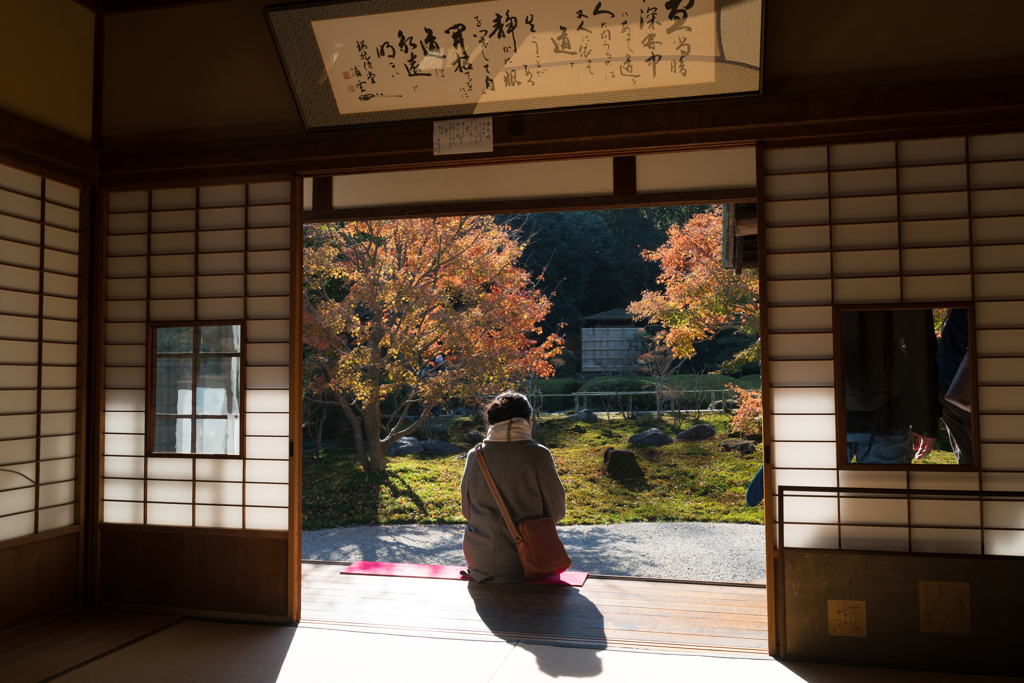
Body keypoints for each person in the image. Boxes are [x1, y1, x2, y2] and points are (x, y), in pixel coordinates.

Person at [460, 392, 566, 583]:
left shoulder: (474, 455)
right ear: (527, 420)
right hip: (528, 561)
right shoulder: (538, 455)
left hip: (480, 561)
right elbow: (557, 511)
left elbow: (467, 511)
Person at [843, 309, 941, 464]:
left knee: (820, 486)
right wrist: (925, 423)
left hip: (827, 415)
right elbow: (922, 353)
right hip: (889, 415)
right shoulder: (903, 290)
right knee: (885, 487)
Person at [936, 308, 973, 465]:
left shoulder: (955, 310)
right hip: (965, 388)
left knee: (967, 458)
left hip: (945, 384)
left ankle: (970, 488)